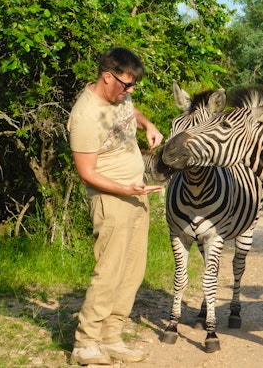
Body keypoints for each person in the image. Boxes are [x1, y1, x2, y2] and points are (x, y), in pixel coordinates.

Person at [67, 47, 164, 366]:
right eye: (126, 84)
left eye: (134, 85)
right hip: (111, 199)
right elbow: (87, 173)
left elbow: (131, 112)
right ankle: (86, 343)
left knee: (132, 271)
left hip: (136, 193)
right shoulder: (85, 115)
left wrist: (147, 125)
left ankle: (111, 336)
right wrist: (125, 188)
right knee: (108, 271)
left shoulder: (119, 97)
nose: (130, 91)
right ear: (107, 76)